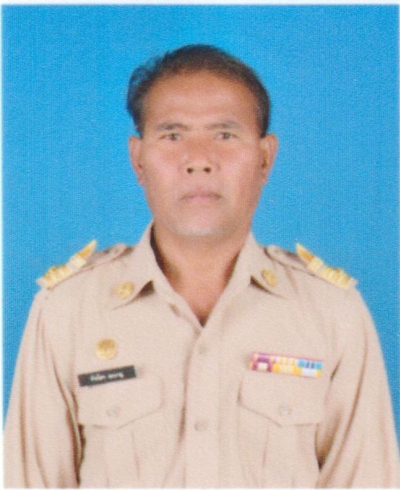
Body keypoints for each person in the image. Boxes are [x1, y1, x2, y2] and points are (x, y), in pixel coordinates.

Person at [4, 44, 400, 488]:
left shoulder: (332, 314)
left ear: (265, 158)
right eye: (172, 136)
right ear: (138, 159)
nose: (198, 160)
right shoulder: (67, 311)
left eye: (224, 135)